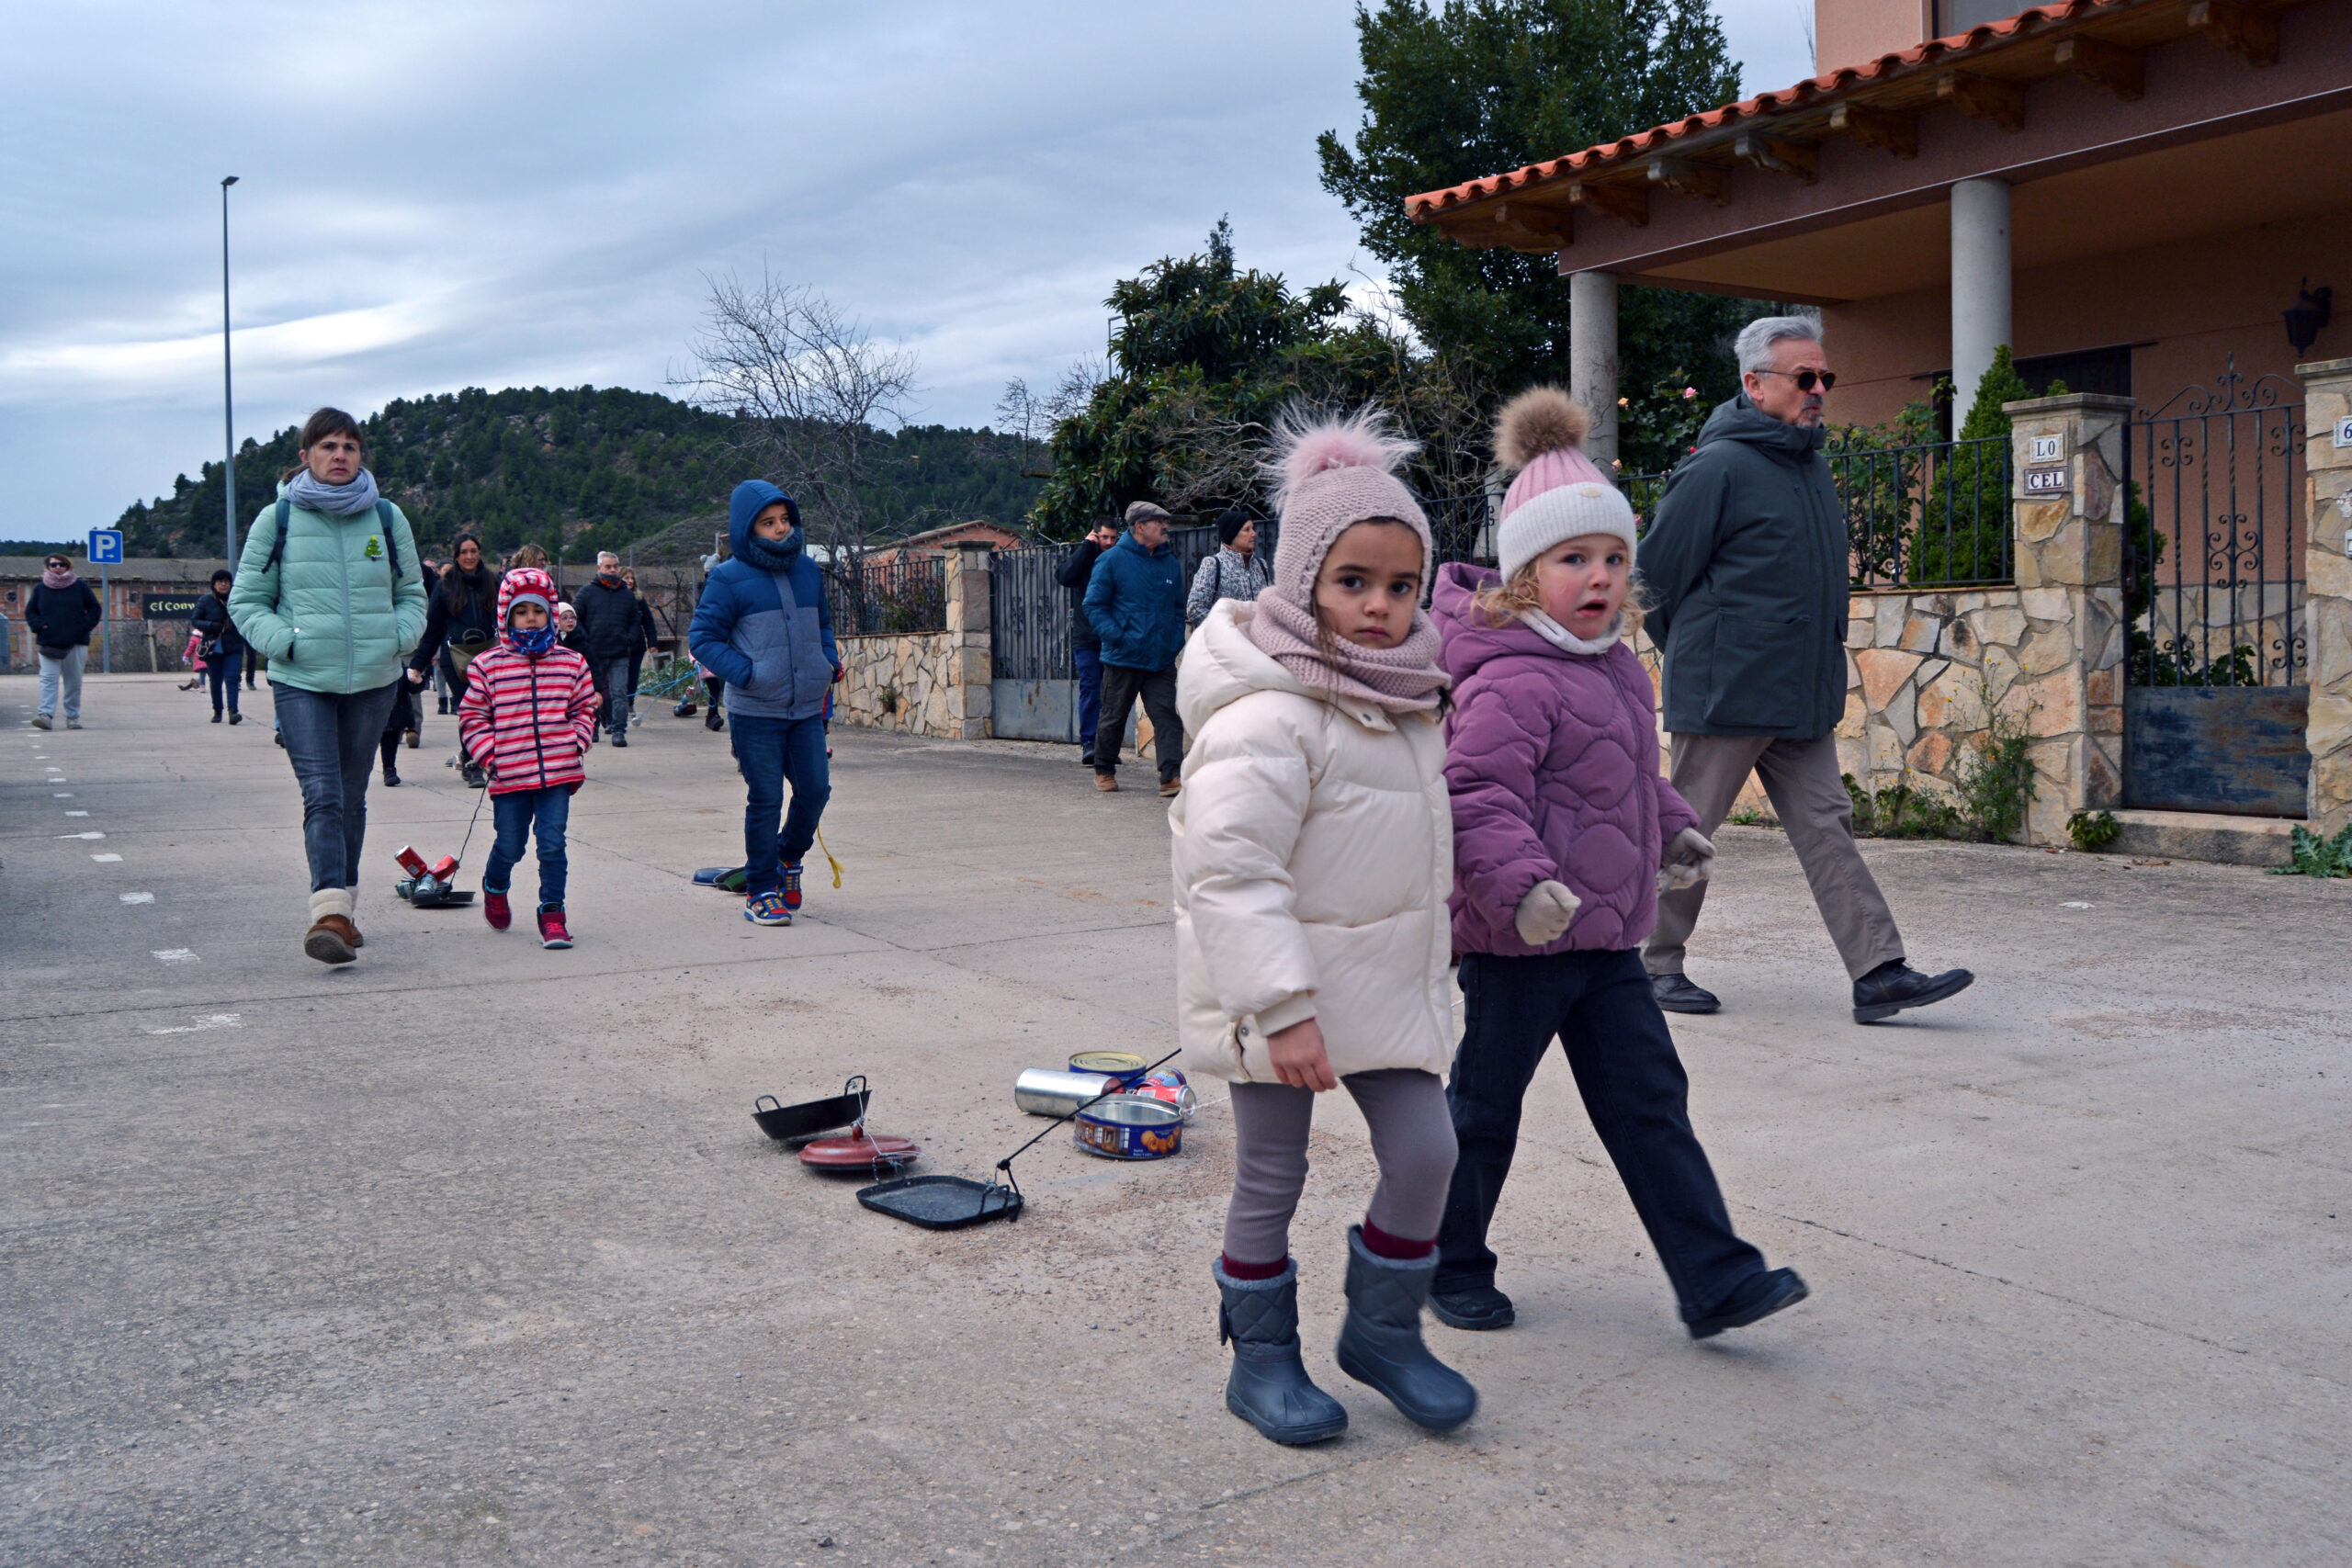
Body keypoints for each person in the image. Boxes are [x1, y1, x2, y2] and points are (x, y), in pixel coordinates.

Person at [1425, 386, 1808, 1340]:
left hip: (1601, 941)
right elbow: (1473, 799)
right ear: (1522, 575)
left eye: (1611, 558)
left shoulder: (1612, 671)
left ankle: (1714, 1279)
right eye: (1571, 559)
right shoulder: (1510, 677)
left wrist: (1672, 828)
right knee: (1482, 1110)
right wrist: (1521, 890)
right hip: (1521, 941)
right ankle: (1445, 1260)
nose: (1597, 576)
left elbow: (1627, 782)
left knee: (1649, 1101)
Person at [1172, 408, 1472, 1447]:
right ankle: (1260, 1360)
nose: (1380, 607)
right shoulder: (1264, 715)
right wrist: (1283, 1008)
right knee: (1271, 1174)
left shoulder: (1407, 702)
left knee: (1428, 1153)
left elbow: (1425, 844)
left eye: (1400, 586)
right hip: (1281, 998)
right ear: (1301, 581)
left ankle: (1381, 1332)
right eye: (1353, 583)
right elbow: (1228, 873)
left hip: (1383, 985)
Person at [1638, 317, 1975, 1024]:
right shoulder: (1717, 467)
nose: (1818, 390)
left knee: (1828, 823)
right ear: (1754, 384)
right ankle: (1650, 965)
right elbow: (1655, 578)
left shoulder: (1810, 465)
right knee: (1688, 833)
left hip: (1798, 693)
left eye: (1825, 378)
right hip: (1728, 692)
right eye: (1804, 378)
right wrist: (1704, 655)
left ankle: (1878, 972)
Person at [227, 406, 427, 964]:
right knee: (323, 794)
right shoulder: (278, 519)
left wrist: (397, 636)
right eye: (328, 447)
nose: (339, 456)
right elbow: (245, 601)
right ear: (306, 458)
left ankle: (345, 908)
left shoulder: (387, 519)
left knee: (352, 796)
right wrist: (287, 642)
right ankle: (329, 915)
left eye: (349, 447)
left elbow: (412, 593)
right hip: (302, 681)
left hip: (373, 677)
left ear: (361, 456)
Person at [690, 481, 840, 927]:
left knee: (815, 790)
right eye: (768, 523)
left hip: (806, 706)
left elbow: (825, 625)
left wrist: (827, 661)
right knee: (766, 798)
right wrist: (749, 673)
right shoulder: (728, 578)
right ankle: (760, 891)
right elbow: (702, 638)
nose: (780, 530)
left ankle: (788, 859)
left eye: (785, 520)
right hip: (756, 710)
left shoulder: (808, 571)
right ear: (747, 528)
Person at [457, 567, 597, 949]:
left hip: (558, 770)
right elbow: (472, 716)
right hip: (510, 772)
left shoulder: (571, 663)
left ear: (551, 613)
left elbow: (585, 708)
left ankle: (552, 914)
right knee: (511, 844)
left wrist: (576, 741)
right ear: (507, 616)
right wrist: (490, 754)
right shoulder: (488, 666)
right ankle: (495, 885)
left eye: (537, 610)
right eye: (521, 612)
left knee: (552, 844)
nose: (530, 617)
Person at [1083, 501, 1186, 796]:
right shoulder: (1112, 560)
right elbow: (1094, 605)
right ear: (1140, 527)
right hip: (1122, 656)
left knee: (1167, 717)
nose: (1165, 527)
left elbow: (1178, 609)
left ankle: (1170, 777)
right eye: (1159, 522)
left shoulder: (1169, 563)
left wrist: (1173, 641)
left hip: (1159, 659)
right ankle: (1104, 770)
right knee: (1113, 716)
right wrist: (1118, 637)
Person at [409, 532, 500, 784]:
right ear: (456, 557)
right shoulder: (444, 586)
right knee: (469, 710)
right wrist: (418, 664)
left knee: (491, 710)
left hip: (489, 655)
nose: (469, 556)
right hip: (456, 658)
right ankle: (472, 765)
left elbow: (505, 620)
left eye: (473, 551)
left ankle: (485, 757)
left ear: (479, 554)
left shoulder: (493, 582)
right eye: (464, 552)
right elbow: (433, 629)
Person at [1057, 520, 1117, 765]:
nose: (1109, 543)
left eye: (1113, 538)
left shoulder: (1119, 559)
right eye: (1104, 537)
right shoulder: (1083, 558)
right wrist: (1085, 547)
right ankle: (1089, 743)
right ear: (1094, 536)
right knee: (1091, 688)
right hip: (1086, 638)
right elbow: (1064, 576)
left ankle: (1107, 746)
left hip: (1113, 636)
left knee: (1113, 693)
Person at [27, 551, 102, 731]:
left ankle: (72, 716)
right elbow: (31, 612)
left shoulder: (80, 587)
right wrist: (40, 626)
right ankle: (45, 715)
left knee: (73, 682)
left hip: (76, 642)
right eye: (54, 565)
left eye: (62, 564)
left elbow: (94, 609)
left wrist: (81, 627)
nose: (58, 567)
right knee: (48, 680)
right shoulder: (40, 589)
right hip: (49, 642)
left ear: (68, 566)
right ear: (48, 567)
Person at [572, 551, 640, 748]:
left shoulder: (626, 595)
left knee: (620, 693)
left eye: (615, 567)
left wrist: (629, 639)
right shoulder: (586, 592)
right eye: (608, 567)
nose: (612, 570)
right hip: (594, 653)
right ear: (599, 568)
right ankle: (592, 728)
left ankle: (619, 730)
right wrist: (585, 641)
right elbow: (575, 618)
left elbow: (636, 620)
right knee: (592, 693)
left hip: (619, 653)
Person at [1185, 507, 1272, 628]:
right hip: (1226, 644)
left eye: (1253, 528)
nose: (1254, 533)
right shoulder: (1213, 564)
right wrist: (1228, 629)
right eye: (1247, 529)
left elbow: (1269, 606)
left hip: (1258, 643)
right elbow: (1195, 609)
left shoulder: (1261, 565)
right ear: (1232, 535)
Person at [189, 569, 247, 724]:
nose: (223, 584)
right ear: (213, 584)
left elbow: (246, 619)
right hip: (213, 646)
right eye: (220, 581)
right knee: (215, 680)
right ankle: (217, 710)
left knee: (232, 678)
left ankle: (233, 711)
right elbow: (195, 620)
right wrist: (210, 626)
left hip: (233, 646)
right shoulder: (205, 601)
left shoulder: (237, 600)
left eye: (227, 581)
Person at [622, 569, 659, 720]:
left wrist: (652, 642)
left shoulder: (639, 599)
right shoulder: (614, 598)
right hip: (619, 645)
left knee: (632, 677)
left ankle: (629, 703)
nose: (630, 581)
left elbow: (648, 621)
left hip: (636, 646)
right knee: (618, 678)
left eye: (632, 578)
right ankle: (616, 707)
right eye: (626, 578)